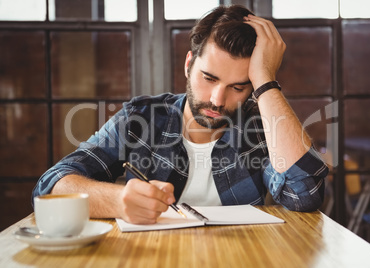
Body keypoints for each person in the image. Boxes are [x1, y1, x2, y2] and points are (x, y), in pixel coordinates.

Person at [32, 5, 328, 224]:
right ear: (189, 64)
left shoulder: (260, 125)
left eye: (238, 86)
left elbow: (305, 195)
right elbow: (49, 188)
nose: (217, 99)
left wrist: (266, 82)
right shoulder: (142, 118)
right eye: (209, 78)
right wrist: (118, 202)